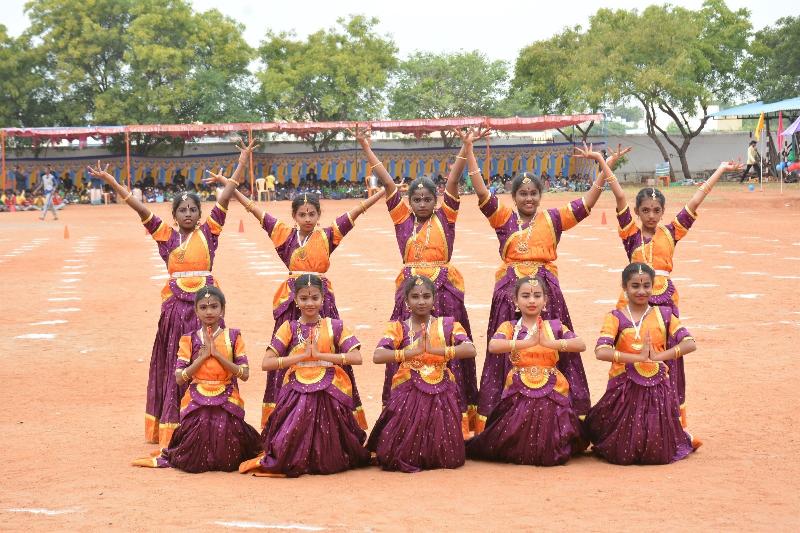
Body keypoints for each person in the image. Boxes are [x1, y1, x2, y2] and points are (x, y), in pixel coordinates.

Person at [86, 139, 252, 447]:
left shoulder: (210, 232)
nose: (188, 214)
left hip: (207, 310)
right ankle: (175, 425)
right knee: (178, 364)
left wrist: (241, 161)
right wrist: (112, 183)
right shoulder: (165, 236)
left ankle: (214, 421)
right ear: (174, 216)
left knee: (213, 360)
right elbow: (140, 209)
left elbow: (227, 195)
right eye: (182, 210)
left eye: (192, 209)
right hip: (176, 312)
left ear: (200, 214)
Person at [203, 171, 384, 430]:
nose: (307, 219)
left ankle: (335, 414)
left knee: (328, 347)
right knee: (286, 350)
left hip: (322, 300)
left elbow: (356, 212)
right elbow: (254, 210)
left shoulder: (327, 236)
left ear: (318, 216)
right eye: (302, 214)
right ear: (294, 216)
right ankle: (284, 416)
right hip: (291, 301)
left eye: (312, 214)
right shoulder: (283, 234)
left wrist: (381, 193)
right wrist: (229, 186)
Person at [467, 133, 611, 433]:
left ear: (540, 195)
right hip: (509, 293)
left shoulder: (554, 219)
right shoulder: (502, 217)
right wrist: (468, 151)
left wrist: (602, 168)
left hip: (547, 294)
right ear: (513, 195)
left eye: (534, 193)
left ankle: (558, 411)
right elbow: (481, 192)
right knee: (508, 348)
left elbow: (585, 205)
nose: (529, 198)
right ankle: (502, 414)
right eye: (523, 193)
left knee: (552, 343)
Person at [604, 144, 742, 435]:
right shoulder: (630, 233)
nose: (651, 215)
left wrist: (720, 169)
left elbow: (696, 200)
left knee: (667, 354)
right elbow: (618, 195)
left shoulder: (672, 231)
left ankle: (671, 423)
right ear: (638, 212)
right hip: (631, 298)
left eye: (656, 210)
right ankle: (623, 417)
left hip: (665, 298)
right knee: (630, 349)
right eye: (645, 210)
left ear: (662, 211)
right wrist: (606, 164)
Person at [351, 126, 480, 432]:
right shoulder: (401, 218)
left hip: (445, 290)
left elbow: (452, 181)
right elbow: (385, 179)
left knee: (447, 344)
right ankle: (405, 412)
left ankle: (453, 416)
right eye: (416, 199)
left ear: (436, 200)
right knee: (404, 342)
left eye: (427, 199)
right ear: (408, 201)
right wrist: (365, 147)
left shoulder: (446, 215)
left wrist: (466, 148)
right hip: (408, 290)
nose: (422, 203)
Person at [239, 274, 370, 477]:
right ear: (295, 300)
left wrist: (320, 356)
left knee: (325, 403)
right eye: (304, 298)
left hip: (330, 383)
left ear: (323, 298)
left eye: (315, 298)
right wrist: (299, 357)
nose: (310, 303)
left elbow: (357, 357)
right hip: (297, 381)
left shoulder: (335, 326)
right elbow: (267, 362)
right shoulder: (289, 328)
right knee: (299, 410)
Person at [132, 287, 261, 472]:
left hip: (226, 394)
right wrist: (200, 358)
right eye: (203, 307)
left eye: (214, 306)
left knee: (225, 436)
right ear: (196, 310)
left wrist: (217, 355)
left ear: (223, 310)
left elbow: (244, 374)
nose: (209, 311)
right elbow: (179, 378)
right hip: (197, 394)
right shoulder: (188, 339)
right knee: (197, 436)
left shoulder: (233, 337)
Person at [467, 275, 587, 466]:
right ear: (515, 301)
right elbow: (494, 345)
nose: (532, 300)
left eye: (537, 295)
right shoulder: (510, 327)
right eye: (525, 296)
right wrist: (526, 343)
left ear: (545, 300)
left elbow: (580, 344)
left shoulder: (554, 326)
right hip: (519, 386)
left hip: (552, 386)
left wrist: (551, 343)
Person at [585, 263, 697, 465]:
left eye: (646, 285)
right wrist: (636, 358)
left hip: (658, 388)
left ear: (653, 287)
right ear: (624, 287)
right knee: (622, 453)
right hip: (623, 387)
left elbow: (690, 343)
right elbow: (601, 351)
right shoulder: (615, 317)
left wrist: (658, 357)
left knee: (657, 453)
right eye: (635, 285)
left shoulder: (664, 315)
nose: (641, 291)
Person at [368, 275, 476, 472]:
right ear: (407, 301)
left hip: (441, 386)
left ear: (434, 299)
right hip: (409, 384)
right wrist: (410, 353)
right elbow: (378, 355)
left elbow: (469, 349)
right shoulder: (398, 327)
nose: (421, 301)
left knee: (450, 458)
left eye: (426, 296)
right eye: (415, 297)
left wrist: (437, 351)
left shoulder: (448, 324)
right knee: (396, 454)